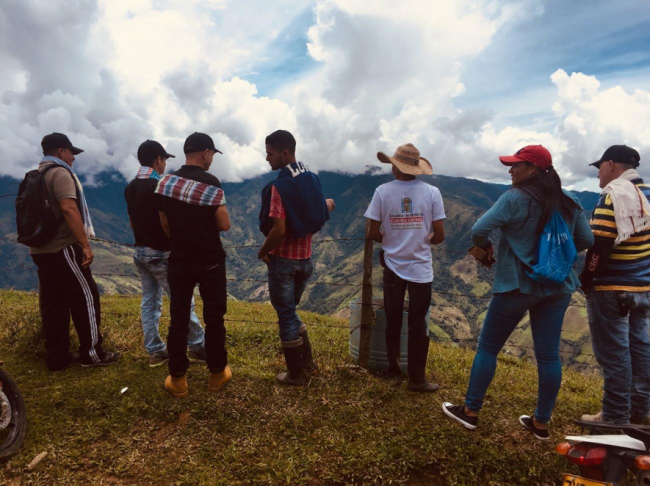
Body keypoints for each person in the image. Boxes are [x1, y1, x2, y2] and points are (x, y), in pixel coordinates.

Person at [442, 145, 594, 440]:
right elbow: (585, 239)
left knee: (488, 348)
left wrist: (485, 247)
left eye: (516, 165)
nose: (510, 170)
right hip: (558, 287)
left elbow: (478, 229)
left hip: (517, 284)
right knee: (549, 357)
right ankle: (540, 423)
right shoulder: (570, 201)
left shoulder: (514, 198)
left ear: (533, 169)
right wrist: (554, 254)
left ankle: (470, 412)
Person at [30, 132, 121, 371]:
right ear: (61, 151)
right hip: (63, 248)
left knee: (53, 303)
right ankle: (92, 354)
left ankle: (57, 357)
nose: (74, 158)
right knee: (86, 298)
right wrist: (85, 245)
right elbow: (69, 209)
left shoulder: (38, 175)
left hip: (40, 250)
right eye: (71, 152)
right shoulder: (60, 173)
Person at [364, 143, 446, 393]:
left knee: (393, 318)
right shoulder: (432, 192)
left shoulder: (382, 191)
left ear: (394, 166)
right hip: (421, 268)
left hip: (392, 265)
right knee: (418, 322)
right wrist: (423, 240)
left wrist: (391, 239)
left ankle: (393, 370)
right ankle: (418, 380)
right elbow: (440, 234)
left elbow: (371, 231)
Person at [155, 133, 231, 398]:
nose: (212, 160)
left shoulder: (166, 183)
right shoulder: (211, 183)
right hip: (210, 260)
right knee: (214, 319)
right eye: (212, 155)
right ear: (206, 153)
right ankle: (218, 374)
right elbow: (224, 224)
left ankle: (178, 380)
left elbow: (165, 226)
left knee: (179, 319)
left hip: (179, 259)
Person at [579, 145, 650, 425]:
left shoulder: (613, 197)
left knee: (615, 355)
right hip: (643, 287)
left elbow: (600, 247)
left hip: (612, 289)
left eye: (599, 167)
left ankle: (615, 415)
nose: (598, 173)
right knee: (641, 349)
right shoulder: (647, 195)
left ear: (610, 164)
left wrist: (587, 280)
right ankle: (642, 411)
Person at [257, 130, 334, 386]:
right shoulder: (311, 178)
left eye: (270, 153)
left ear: (285, 153)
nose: (267, 159)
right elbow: (318, 209)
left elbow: (278, 230)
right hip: (306, 260)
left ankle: (295, 375)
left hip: (284, 262)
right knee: (290, 312)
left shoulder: (279, 187)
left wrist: (263, 251)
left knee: (286, 316)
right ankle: (307, 363)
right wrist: (329, 205)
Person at [124, 140, 206, 368]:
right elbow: (168, 223)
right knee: (182, 300)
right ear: (158, 159)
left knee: (149, 302)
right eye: (165, 160)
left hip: (140, 252)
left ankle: (155, 351)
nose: (165, 164)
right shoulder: (161, 186)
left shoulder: (130, 187)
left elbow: (131, 223)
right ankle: (199, 346)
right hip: (161, 252)